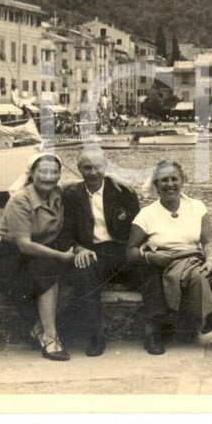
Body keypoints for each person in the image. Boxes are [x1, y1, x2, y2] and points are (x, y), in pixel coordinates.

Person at [128, 159, 212, 351]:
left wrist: (210, 259)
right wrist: (150, 257)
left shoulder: (197, 206)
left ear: (182, 181)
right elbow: (131, 251)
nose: (170, 184)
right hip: (171, 264)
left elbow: (207, 241)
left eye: (174, 179)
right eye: (164, 180)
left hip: (196, 258)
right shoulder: (146, 214)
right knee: (199, 278)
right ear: (156, 185)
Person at [60, 148, 169, 356]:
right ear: (79, 169)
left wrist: (142, 246)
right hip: (92, 252)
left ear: (106, 166)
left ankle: (153, 331)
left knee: (150, 269)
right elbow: (65, 231)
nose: (93, 172)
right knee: (83, 272)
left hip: (122, 249)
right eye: (87, 168)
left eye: (98, 167)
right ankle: (95, 334)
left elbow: (138, 224)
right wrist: (78, 248)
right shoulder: (71, 195)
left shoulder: (122, 191)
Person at [0, 153, 75, 361]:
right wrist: (62, 256)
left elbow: (85, 181)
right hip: (9, 260)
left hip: (39, 257)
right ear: (32, 173)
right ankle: (50, 339)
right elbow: (24, 245)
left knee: (70, 274)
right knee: (49, 271)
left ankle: (38, 329)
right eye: (42, 171)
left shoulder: (57, 192)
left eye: (53, 172)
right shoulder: (20, 200)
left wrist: (116, 178)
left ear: (59, 176)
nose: (48, 177)